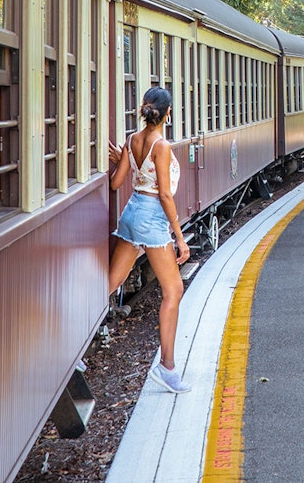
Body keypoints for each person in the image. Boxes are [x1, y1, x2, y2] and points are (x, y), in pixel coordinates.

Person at [108, 87, 192, 394]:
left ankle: (73, 351)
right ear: (167, 113)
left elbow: (117, 183)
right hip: (152, 217)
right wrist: (180, 238)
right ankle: (167, 368)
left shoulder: (133, 139)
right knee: (174, 290)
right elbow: (165, 194)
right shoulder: (162, 145)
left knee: (110, 282)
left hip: (131, 212)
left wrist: (122, 161)